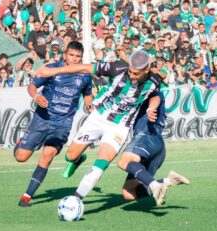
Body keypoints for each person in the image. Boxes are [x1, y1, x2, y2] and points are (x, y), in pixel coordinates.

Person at [36, 50, 161, 201]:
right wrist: (53, 71)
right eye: (130, 72)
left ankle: (76, 200)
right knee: (70, 155)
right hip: (97, 117)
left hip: (119, 126)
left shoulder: (154, 81)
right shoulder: (117, 68)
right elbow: (84, 68)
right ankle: (77, 160)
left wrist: (150, 108)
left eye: (136, 74)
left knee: (99, 166)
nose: (132, 76)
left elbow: (154, 96)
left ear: (146, 70)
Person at [15, 41, 93, 207]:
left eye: (78, 57)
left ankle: (27, 196)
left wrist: (91, 105)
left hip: (63, 124)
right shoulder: (52, 69)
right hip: (42, 119)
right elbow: (32, 85)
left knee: (48, 155)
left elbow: (87, 95)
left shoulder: (85, 75)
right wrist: (36, 96)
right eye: (71, 55)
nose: (74, 59)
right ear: (65, 54)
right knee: (21, 157)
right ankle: (20, 143)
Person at [118, 92, 190, 206]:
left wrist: (150, 109)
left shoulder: (150, 89)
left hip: (146, 137)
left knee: (124, 161)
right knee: (129, 193)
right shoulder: (133, 93)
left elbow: (155, 97)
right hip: (158, 147)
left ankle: (155, 186)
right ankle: (168, 181)